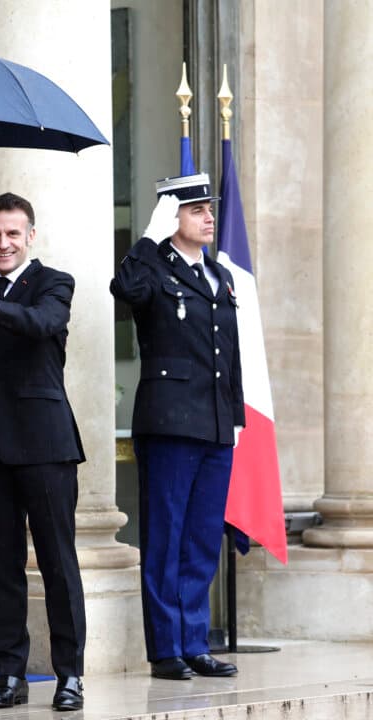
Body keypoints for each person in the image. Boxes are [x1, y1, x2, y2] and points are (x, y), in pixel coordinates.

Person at [110, 173, 243, 681]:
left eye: (209, 209)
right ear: (172, 218)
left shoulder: (219, 276)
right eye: (196, 210)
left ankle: (194, 641)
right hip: (169, 423)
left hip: (213, 424)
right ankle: (166, 648)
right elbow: (124, 290)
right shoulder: (152, 269)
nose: (209, 217)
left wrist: (236, 416)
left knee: (202, 538)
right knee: (166, 537)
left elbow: (229, 356)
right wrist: (147, 237)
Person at [0, 193, 87, 712]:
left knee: (58, 564)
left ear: (30, 235)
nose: (3, 243)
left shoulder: (54, 283)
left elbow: (43, 324)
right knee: (0, 568)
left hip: (45, 444)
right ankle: (9, 675)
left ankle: (70, 675)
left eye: (13, 233)